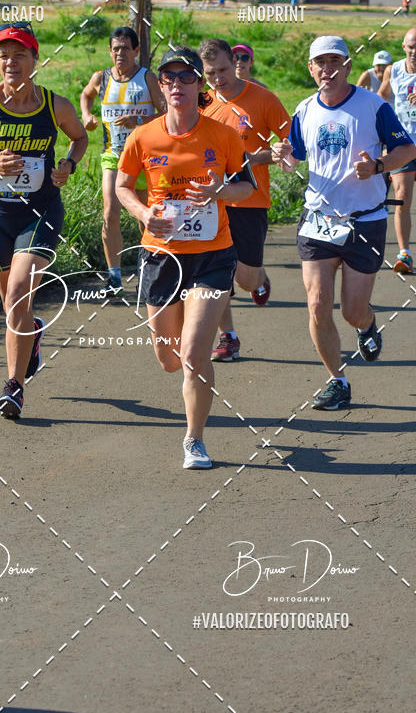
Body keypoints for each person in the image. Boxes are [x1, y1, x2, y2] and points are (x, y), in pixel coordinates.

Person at [116, 46, 255, 469]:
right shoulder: (144, 137)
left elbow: (246, 187)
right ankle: (186, 391)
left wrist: (219, 191)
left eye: (186, 77)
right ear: (161, 86)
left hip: (212, 256)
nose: (177, 84)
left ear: (199, 85)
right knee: (169, 360)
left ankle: (194, 440)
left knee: (194, 354)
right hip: (161, 257)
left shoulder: (224, 136)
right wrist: (144, 214)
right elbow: (123, 186)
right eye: (169, 78)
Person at [271, 35, 415, 411]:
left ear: (348, 66)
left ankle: (366, 325)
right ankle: (337, 380)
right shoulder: (304, 110)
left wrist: (378, 166)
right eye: (320, 62)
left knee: (352, 310)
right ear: (310, 68)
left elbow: (407, 149)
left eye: (335, 61)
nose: (327, 69)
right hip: (318, 220)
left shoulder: (373, 106)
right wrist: (281, 155)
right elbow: (292, 159)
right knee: (317, 304)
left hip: (365, 221)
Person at [0, 22, 88, 418]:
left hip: (40, 211)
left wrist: (68, 164)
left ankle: (14, 387)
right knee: (13, 306)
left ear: (35, 59)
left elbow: (80, 138)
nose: (10, 62)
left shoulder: (55, 105)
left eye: (19, 55)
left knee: (17, 296)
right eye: (4, 56)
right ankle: (33, 332)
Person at [198, 38, 291, 361]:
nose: (217, 79)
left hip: (250, 200)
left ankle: (259, 278)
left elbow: (289, 142)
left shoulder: (262, 98)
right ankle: (228, 336)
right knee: (218, 274)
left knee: (245, 278)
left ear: (234, 65)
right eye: (210, 73)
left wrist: (256, 157)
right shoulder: (202, 102)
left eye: (223, 70)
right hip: (212, 201)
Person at [80, 26, 165, 290]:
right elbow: (86, 95)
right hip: (113, 155)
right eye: (116, 49)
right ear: (109, 51)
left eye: (126, 48)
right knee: (110, 213)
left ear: (136, 50)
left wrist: (138, 120)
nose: (120, 54)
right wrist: (86, 115)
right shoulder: (101, 78)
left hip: (145, 159)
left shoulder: (147, 77)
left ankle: (151, 269)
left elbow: (166, 113)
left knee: (145, 217)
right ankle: (114, 277)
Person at [378, 29, 416, 274]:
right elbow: (381, 98)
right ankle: (405, 254)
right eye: (411, 47)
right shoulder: (394, 71)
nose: (414, 52)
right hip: (403, 143)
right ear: (404, 47)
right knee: (401, 197)